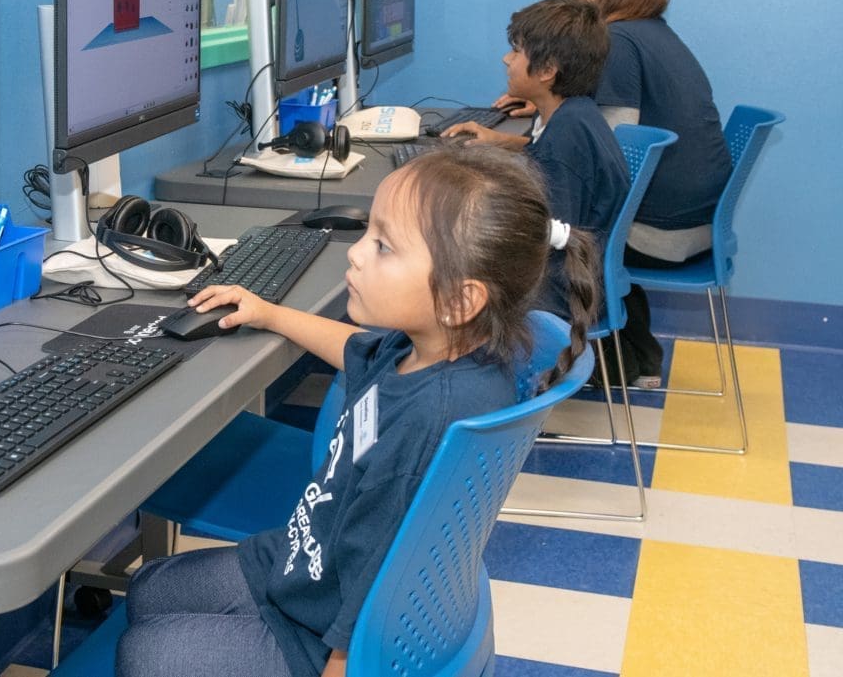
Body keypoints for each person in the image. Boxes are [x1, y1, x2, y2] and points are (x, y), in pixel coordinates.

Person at [115, 146, 600, 677]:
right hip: (307, 564)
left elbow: (378, 572)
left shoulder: (430, 418)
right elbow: (356, 349)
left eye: (383, 246)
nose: (356, 254)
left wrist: (342, 663)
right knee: (149, 589)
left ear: (460, 301)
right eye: (368, 232)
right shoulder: (430, 348)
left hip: (328, 628)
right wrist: (270, 313)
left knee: (144, 654)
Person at [495, 0, 731, 385]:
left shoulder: (619, 40)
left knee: (540, 240)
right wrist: (545, 106)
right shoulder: (655, 32)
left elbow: (601, 150)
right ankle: (634, 359)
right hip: (698, 218)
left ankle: (600, 361)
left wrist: (524, 135)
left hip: (658, 232)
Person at [442, 0, 629, 323]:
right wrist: (502, 144)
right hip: (577, 277)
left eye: (516, 51)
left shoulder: (566, 139)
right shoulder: (576, 114)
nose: (506, 59)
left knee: (448, 265)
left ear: (546, 70)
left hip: (561, 294)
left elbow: (548, 236)